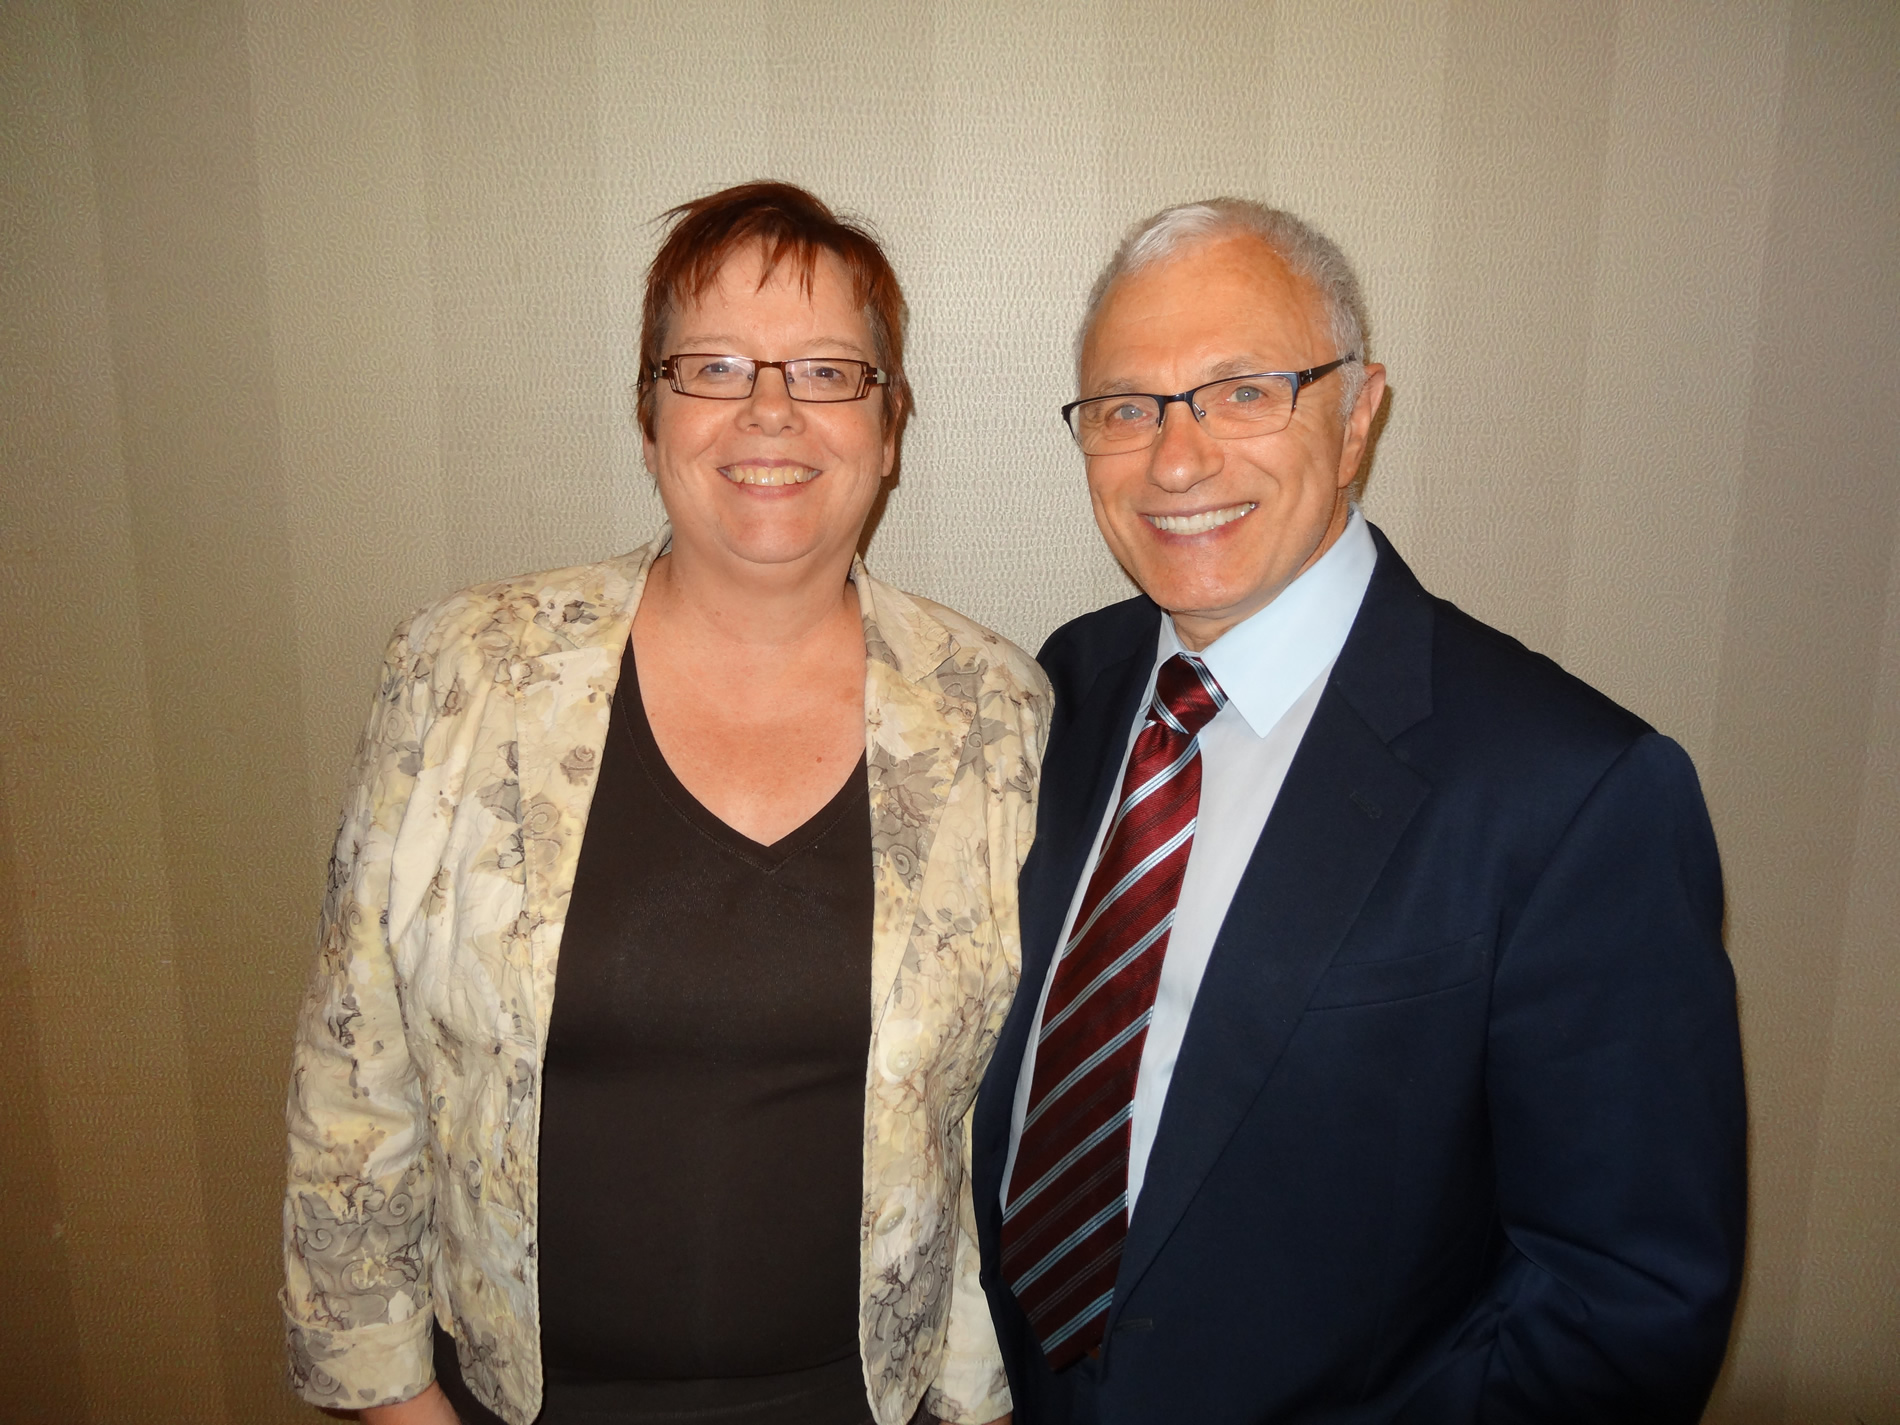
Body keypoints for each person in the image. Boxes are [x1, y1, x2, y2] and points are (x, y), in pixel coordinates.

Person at [971, 199, 1747, 1423]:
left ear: (1357, 415)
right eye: (1126, 408)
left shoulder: (1575, 793)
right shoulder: (1071, 681)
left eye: (1243, 392)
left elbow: (1626, 1304)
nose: (1175, 460)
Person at [283, 182, 1043, 1425]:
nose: (769, 410)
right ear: (649, 418)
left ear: (889, 425)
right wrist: (395, 1403)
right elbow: (351, 1072)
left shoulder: (992, 712)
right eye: (713, 367)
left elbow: (991, 1134)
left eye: (827, 371)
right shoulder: (467, 669)